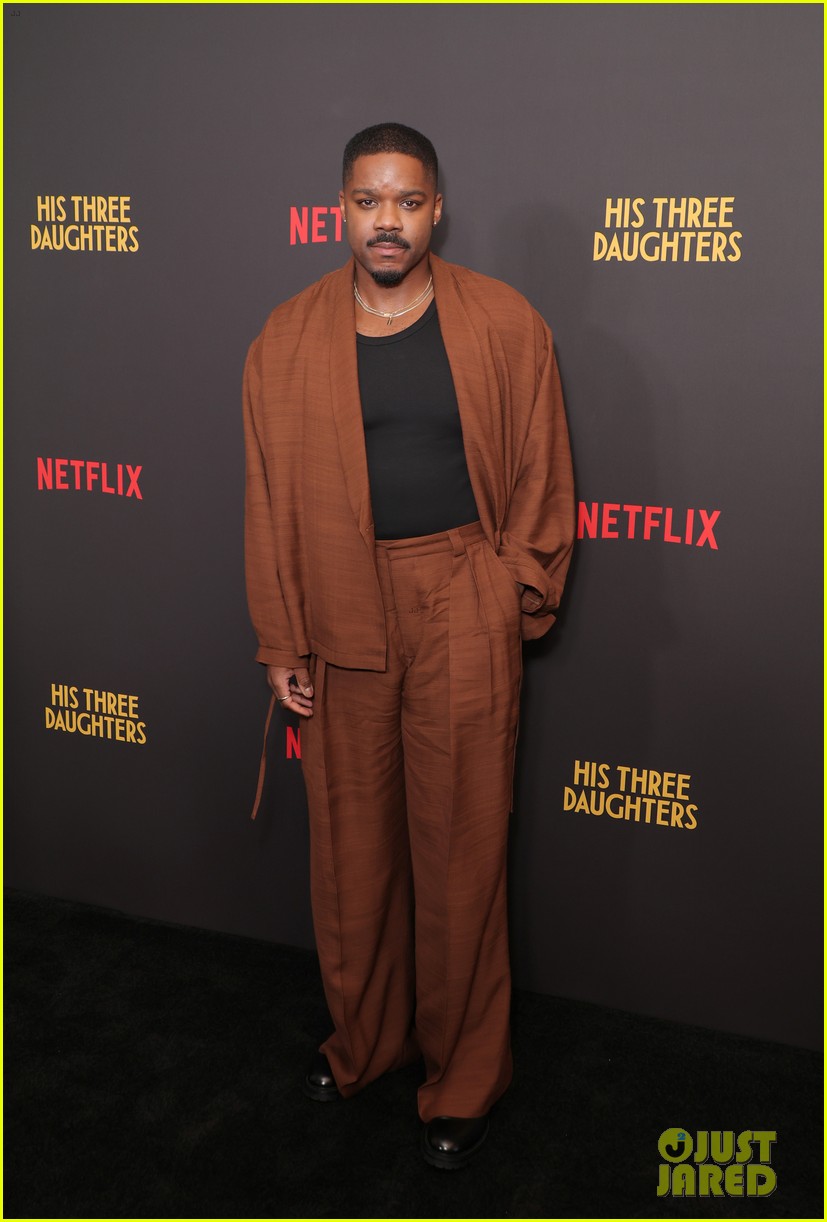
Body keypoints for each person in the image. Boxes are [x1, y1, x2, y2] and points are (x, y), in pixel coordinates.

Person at [243, 122, 575, 1169]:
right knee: (351, 848)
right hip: (339, 605)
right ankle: (368, 1042)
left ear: (436, 209)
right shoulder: (285, 337)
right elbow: (268, 501)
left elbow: (540, 472)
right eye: (366, 200)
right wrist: (280, 635)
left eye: (406, 201)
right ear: (339, 209)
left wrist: (508, 585)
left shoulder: (504, 323)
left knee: (462, 844)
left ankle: (464, 1073)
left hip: (460, 597)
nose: (386, 221)